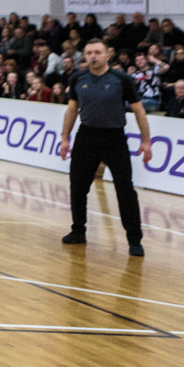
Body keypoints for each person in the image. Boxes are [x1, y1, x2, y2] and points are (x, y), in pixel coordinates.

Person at [59, 38, 151, 257]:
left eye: (97, 52)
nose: (93, 56)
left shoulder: (122, 79)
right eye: (89, 52)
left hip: (114, 138)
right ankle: (78, 230)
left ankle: (134, 240)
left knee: (125, 190)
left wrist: (146, 141)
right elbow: (72, 110)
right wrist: (65, 138)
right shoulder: (77, 78)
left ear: (108, 55)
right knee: (78, 186)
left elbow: (139, 110)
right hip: (86, 136)